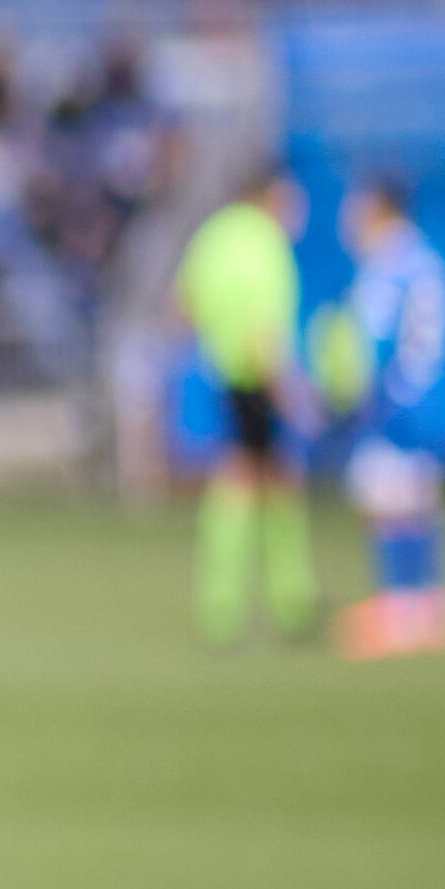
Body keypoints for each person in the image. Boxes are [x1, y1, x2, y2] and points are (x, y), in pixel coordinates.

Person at [177, 168, 313, 645]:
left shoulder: (213, 234)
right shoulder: (264, 242)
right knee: (270, 482)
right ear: (272, 194)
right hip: (257, 375)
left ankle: (223, 605)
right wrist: (284, 389)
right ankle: (289, 601)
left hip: (221, 371)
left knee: (239, 481)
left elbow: (185, 304)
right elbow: (265, 327)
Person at [327, 174, 445, 662]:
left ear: (379, 206)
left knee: (388, 500)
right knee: (416, 497)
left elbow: (372, 342)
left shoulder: (389, 263)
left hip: (394, 397)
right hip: (423, 393)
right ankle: (429, 606)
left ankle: (401, 609)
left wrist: (352, 393)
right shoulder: (423, 259)